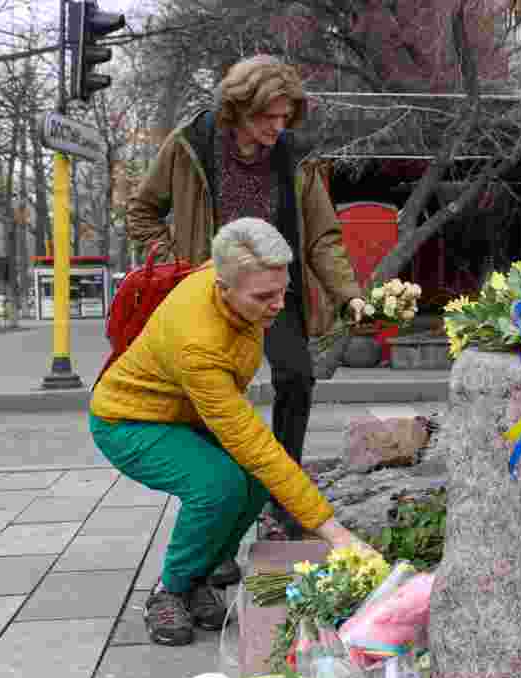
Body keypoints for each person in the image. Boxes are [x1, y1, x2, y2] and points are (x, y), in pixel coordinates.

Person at [89, 218, 372, 646]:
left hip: (187, 413)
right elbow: (254, 444)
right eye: (263, 297)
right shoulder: (198, 343)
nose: (277, 305)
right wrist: (334, 533)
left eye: (282, 290)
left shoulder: (232, 274)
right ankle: (170, 591)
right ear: (222, 288)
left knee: (255, 483)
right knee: (217, 486)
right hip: (128, 420)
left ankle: (200, 576)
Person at [127, 54, 366, 545]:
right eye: (268, 117)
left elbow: (323, 236)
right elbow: (142, 211)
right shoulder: (190, 146)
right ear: (238, 108)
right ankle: (218, 514)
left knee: (296, 377)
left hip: (275, 289)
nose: (278, 127)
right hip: (214, 292)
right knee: (215, 401)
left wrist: (348, 295)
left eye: (285, 117)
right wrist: (181, 268)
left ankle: (284, 499)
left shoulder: (295, 156)